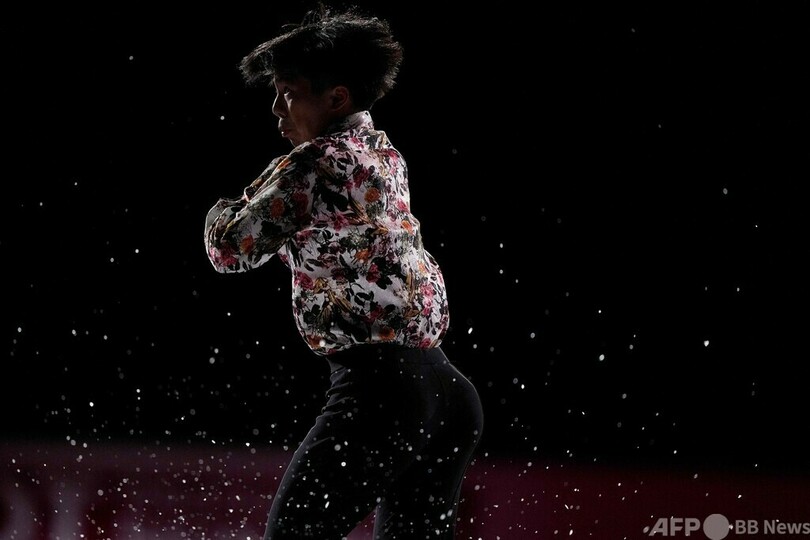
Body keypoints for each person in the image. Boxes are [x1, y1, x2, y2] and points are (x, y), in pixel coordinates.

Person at [203, 5, 484, 539]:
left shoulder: (311, 164)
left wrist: (221, 209)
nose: (276, 108)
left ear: (336, 98)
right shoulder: (386, 154)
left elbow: (230, 250)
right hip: (448, 395)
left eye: (288, 92)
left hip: (384, 395)